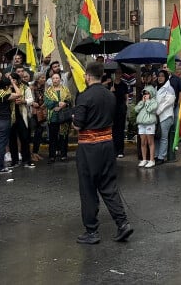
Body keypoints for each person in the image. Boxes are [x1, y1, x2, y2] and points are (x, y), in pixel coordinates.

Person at [73, 61, 133, 245]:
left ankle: (91, 231)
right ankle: (122, 223)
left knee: (89, 189)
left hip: (89, 147)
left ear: (88, 76)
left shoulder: (84, 96)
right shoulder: (110, 95)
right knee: (109, 186)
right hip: (107, 145)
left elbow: (78, 125)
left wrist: (73, 117)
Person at [0, 75, 21, 174]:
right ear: (6, 86)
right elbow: (19, 94)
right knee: (1, 145)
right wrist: (13, 82)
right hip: (4, 120)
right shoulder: (5, 94)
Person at [44, 73, 72, 163]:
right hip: (53, 116)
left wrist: (64, 104)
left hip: (64, 115)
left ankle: (63, 155)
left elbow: (69, 100)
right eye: (53, 78)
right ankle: (52, 156)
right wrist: (57, 104)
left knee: (64, 136)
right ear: (51, 80)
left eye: (57, 78)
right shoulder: (48, 91)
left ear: (60, 79)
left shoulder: (65, 89)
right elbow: (47, 103)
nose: (55, 80)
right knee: (53, 137)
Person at [154, 70, 177, 165]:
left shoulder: (169, 88)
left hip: (166, 116)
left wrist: (158, 111)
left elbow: (169, 102)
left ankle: (161, 157)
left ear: (166, 77)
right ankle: (156, 155)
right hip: (157, 116)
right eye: (159, 76)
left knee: (163, 137)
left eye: (162, 76)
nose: (160, 78)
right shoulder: (156, 87)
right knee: (157, 136)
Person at [135, 89, 158, 168]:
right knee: (143, 143)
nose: (146, 95)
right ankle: (144, 159)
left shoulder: (154, 102)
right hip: (141, 124)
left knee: (150, 142)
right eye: (144, 93)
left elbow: (150, 109)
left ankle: (152, 160)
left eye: (148, 93)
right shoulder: (142, 101)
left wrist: (147, 101)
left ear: (151, 94)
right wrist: (142, 102)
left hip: (150, 124)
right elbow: (136, 109)